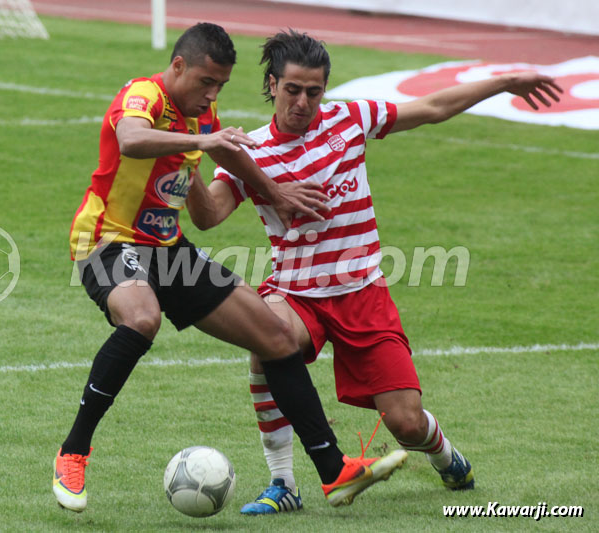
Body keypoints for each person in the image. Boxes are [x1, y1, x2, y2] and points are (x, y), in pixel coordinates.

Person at [186, 29, 563, 515]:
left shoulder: (349, 119)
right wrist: (186, 162)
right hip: (296, 294)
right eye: (293, 89)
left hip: (364, 295)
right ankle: (283, 483)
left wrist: (506, 80)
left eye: (314, 91)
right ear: (272, 84)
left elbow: (432, 107)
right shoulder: (247, 152)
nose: (303, 102)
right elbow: (207, 216)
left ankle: (446, 456)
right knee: (266, 337)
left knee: (406, 424)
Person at [55, 23, 408, 514]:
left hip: (168, 247)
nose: (212, 94)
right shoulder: (144, 95)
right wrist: (200, 140)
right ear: (178, 67)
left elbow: (225, 151)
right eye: (205, 82)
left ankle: (334, 472)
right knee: (141, 318)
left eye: (220, 85)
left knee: (275, 338)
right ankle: (73, 453)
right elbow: (132, 139)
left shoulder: (204, 110)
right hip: (108, 241)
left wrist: (276, 192)